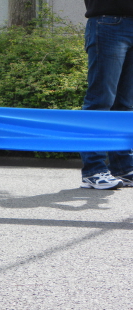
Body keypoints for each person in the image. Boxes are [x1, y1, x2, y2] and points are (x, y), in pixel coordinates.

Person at [79, 0, 133, 190]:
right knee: (100, 102)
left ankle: (123, 167)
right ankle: (93, 170)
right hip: (108, 22)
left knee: (125, 105)